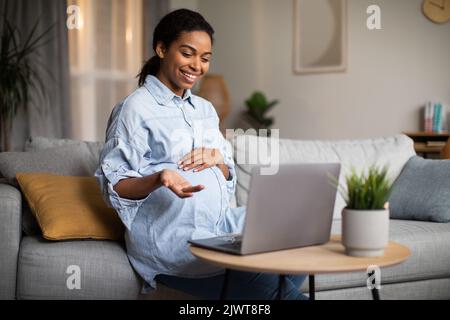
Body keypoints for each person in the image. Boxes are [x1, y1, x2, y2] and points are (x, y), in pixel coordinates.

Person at [95, 9, 307, 300]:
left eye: (205, 58)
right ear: (161, 48)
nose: (196, 65)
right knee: (275, 284)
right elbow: (114, 185)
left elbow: (226, 174)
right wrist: (160, 177)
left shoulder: (205, 110)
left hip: (216, 229)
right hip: (173, 242)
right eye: (187, 53)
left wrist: (217, 160)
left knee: (296, 244)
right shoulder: (135, 109)